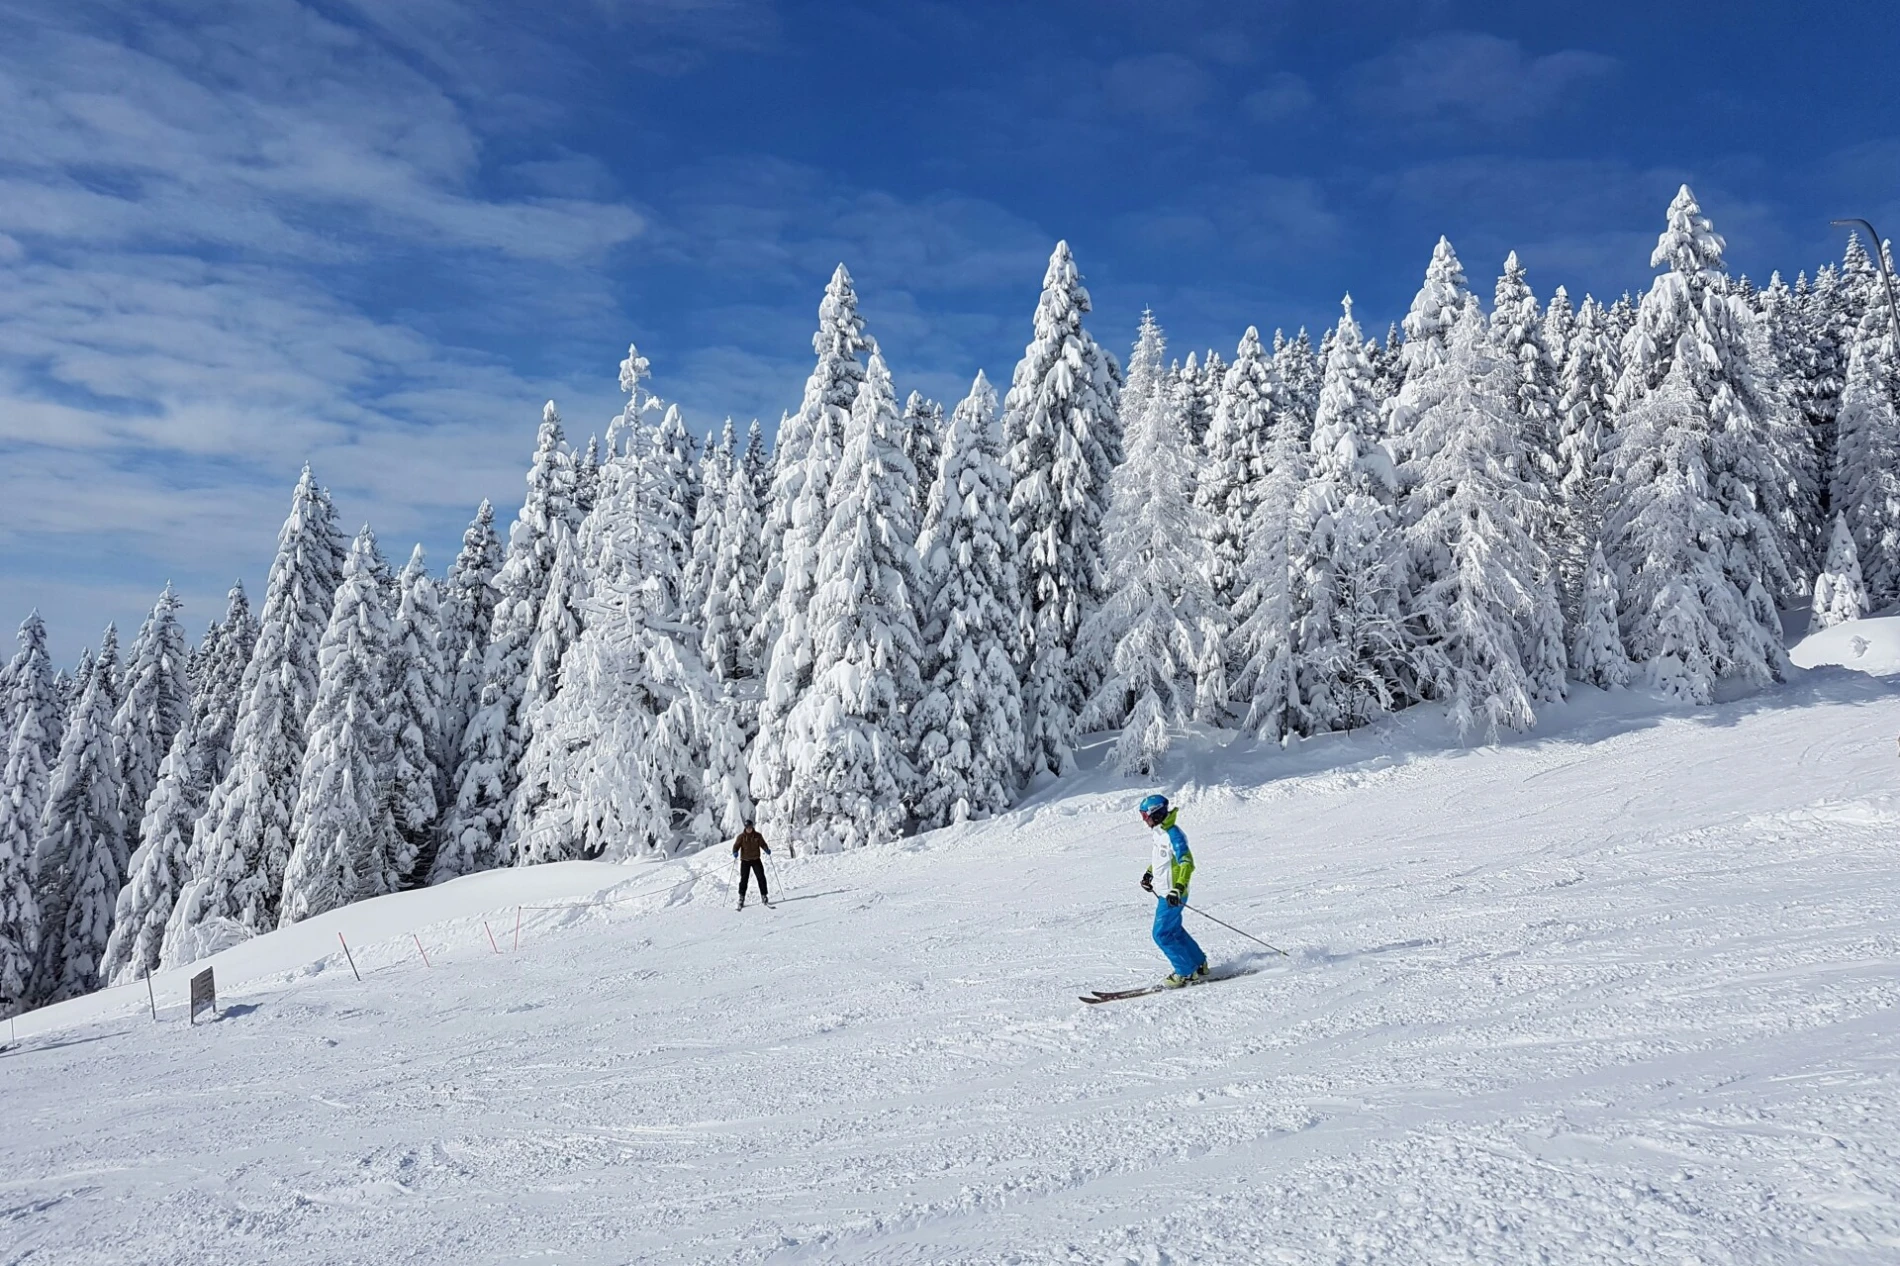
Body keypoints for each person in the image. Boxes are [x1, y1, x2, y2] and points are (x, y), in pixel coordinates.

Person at [1138, 793, 1208, 987]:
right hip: (1164, 891)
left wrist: (1178, 888)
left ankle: (1185, 972)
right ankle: (1199, 963)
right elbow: (1162, 859)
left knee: (1161, 934)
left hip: (1173, 893)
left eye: (1146, 816)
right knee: (1174, 931)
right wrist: (1149, 873)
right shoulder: (1159, 832)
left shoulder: (1174, 835)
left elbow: (1187, 862)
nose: (1145, 820)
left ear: (1157, 814)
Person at [733, 822, 771, 909]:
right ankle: (741, 897)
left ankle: (764, 895)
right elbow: (736, 846)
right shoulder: (741, 837)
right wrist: (735, 852)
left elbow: (763, 844)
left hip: (756, 860)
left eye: (750, 827)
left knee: (761, 877)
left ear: (752, 827)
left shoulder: (757, 836)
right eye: (747, 827)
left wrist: (766, 849)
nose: (749, 829)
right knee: (744, 879)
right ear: (745, 828)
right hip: (745, 861)